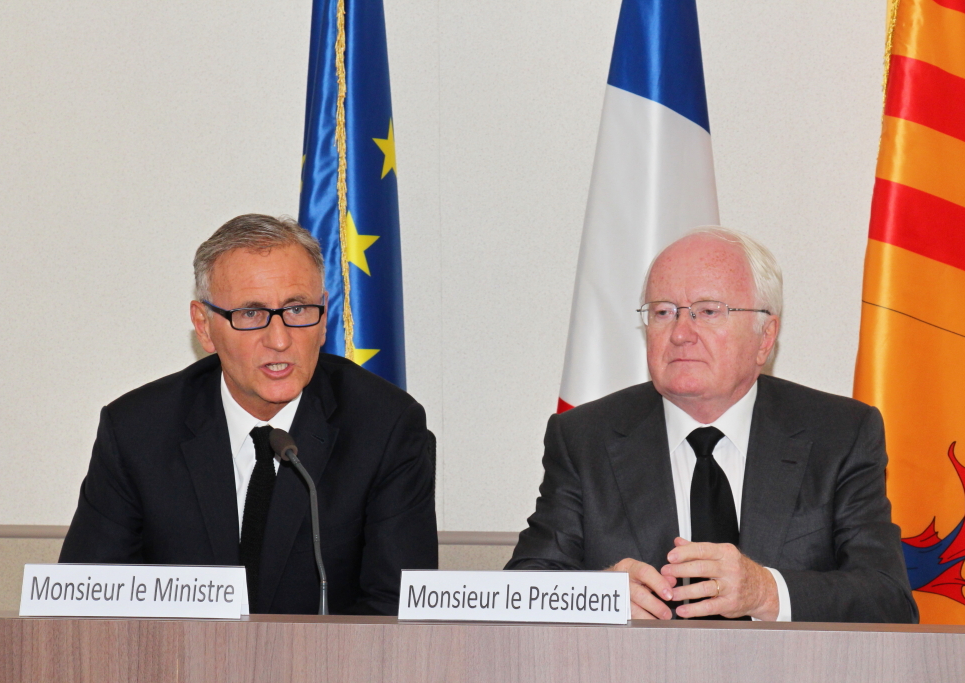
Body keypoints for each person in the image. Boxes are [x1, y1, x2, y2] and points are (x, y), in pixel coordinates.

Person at [507, 227, 917, 623]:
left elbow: (888, 600)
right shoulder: (584, 438)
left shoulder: (840, 434)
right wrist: (597, 597)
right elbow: (520, 591)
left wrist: (765, 592)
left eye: (707, 311)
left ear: (764, 337)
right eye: (663, 312)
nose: (681, 333)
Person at [60, 214, 437, 615]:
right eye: (251, 315)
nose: (279, 340)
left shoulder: (387, 428)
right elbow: (85, 602)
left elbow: (396, 611)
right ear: (204, 327)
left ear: (324, 315)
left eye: (297, 309)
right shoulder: (138, 431)